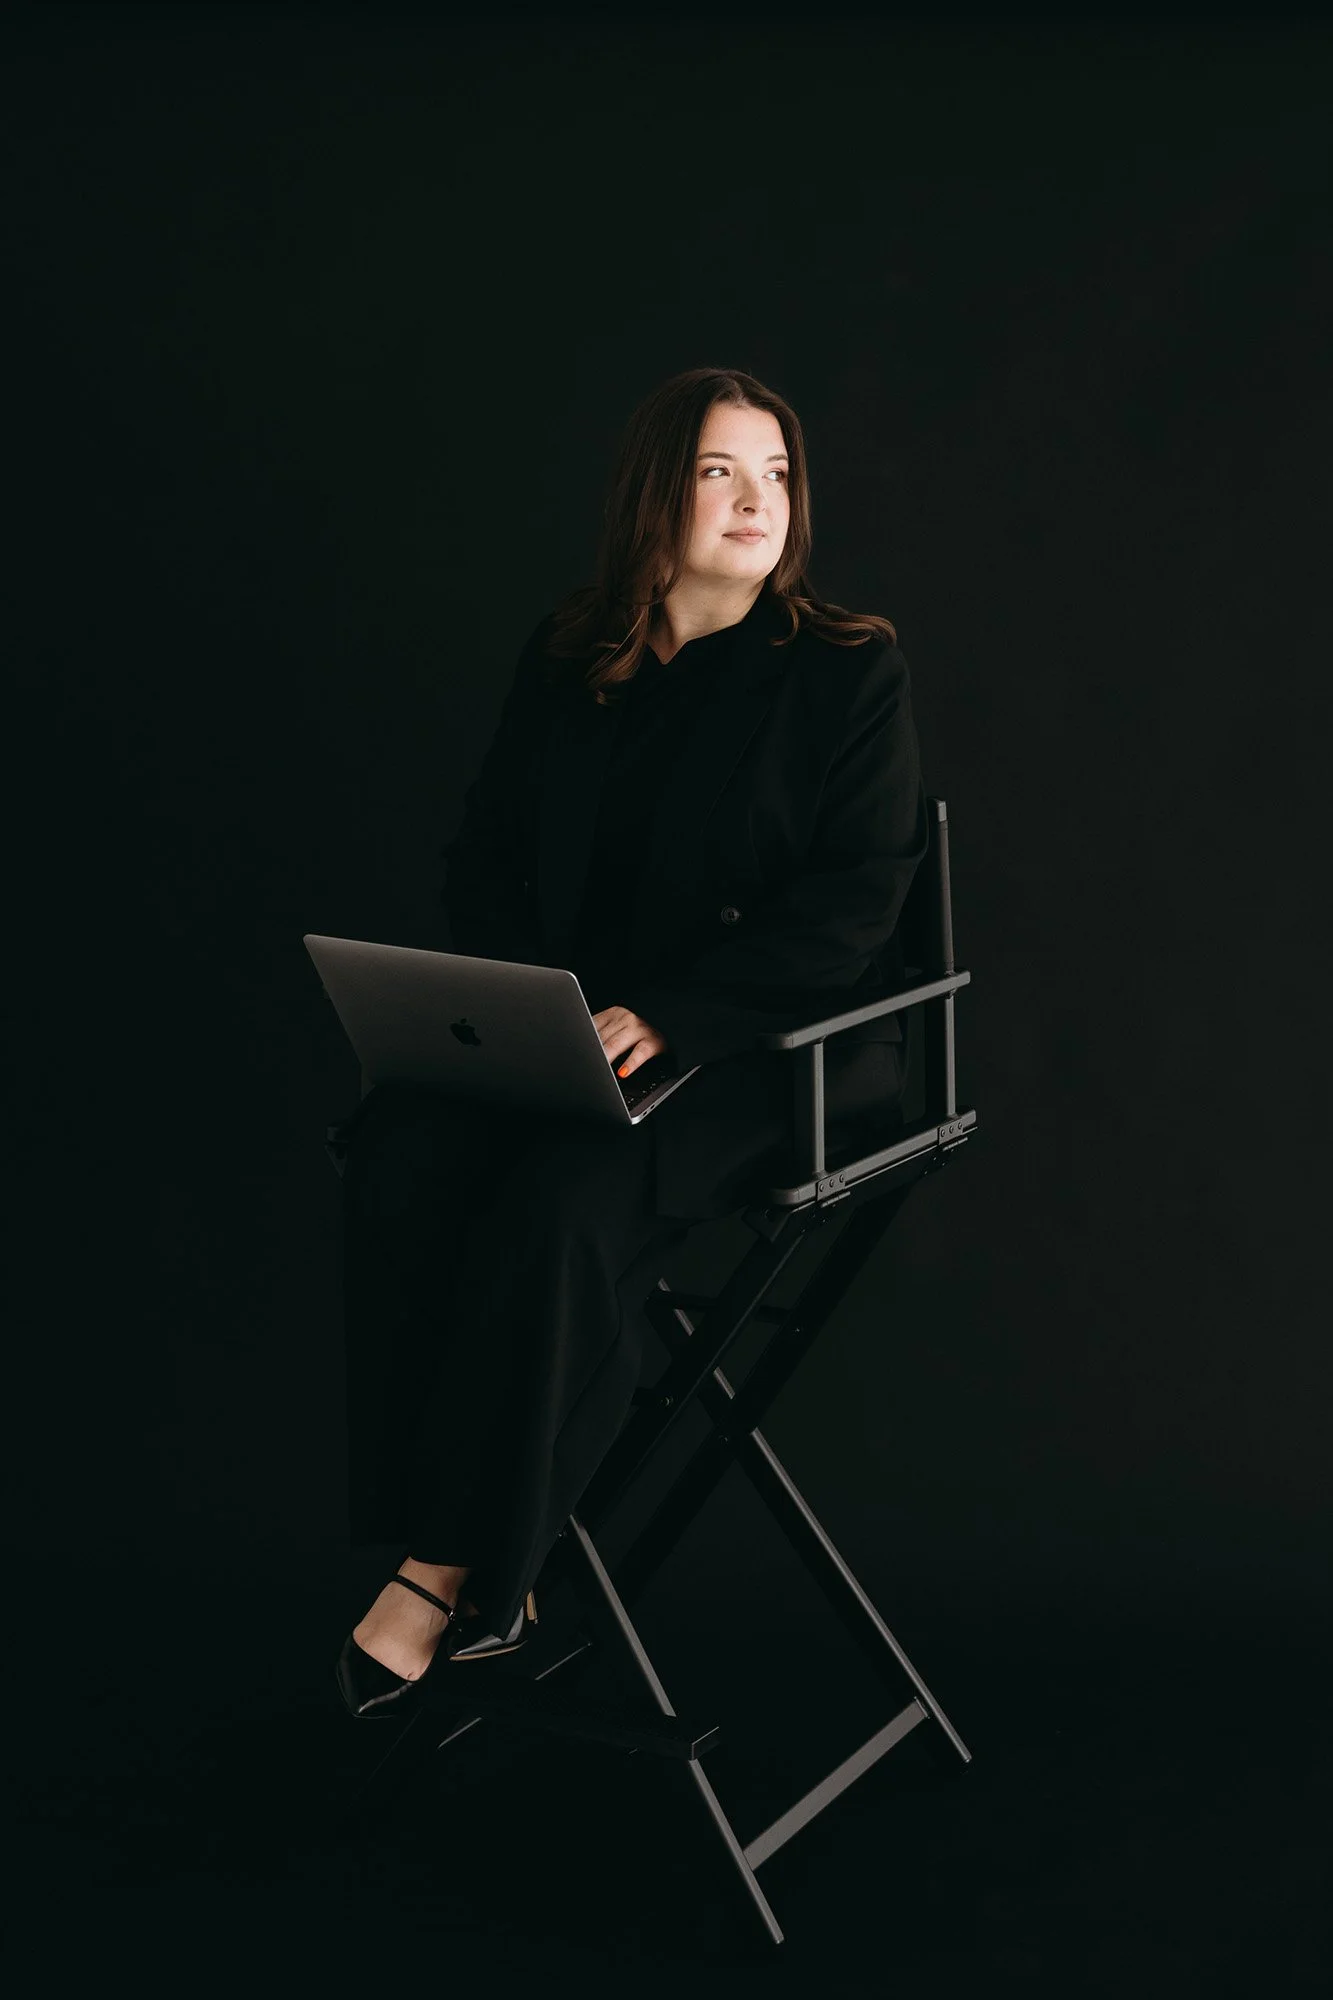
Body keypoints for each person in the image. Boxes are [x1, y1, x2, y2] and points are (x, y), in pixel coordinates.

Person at [334, 365, 930, 1718]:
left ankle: (469, 1572)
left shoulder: (847, 672)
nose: (756, 501)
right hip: (583, 1037)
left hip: (778, 1048)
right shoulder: (574, 655)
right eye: (721, 471)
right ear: (655, 495)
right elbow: (484, 857)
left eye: (775, 473)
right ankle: (439, 1529)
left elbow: (854, 913)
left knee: (563, 1199)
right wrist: (517, 1014)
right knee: (403, 1155)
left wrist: (670, 1017)